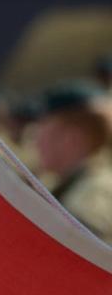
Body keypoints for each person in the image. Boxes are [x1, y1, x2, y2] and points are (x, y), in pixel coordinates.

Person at [36, 82, 112, 244]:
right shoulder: (85, 184)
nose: (37, 142)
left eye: (44, 131)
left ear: (71, 138)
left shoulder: (91, 198)